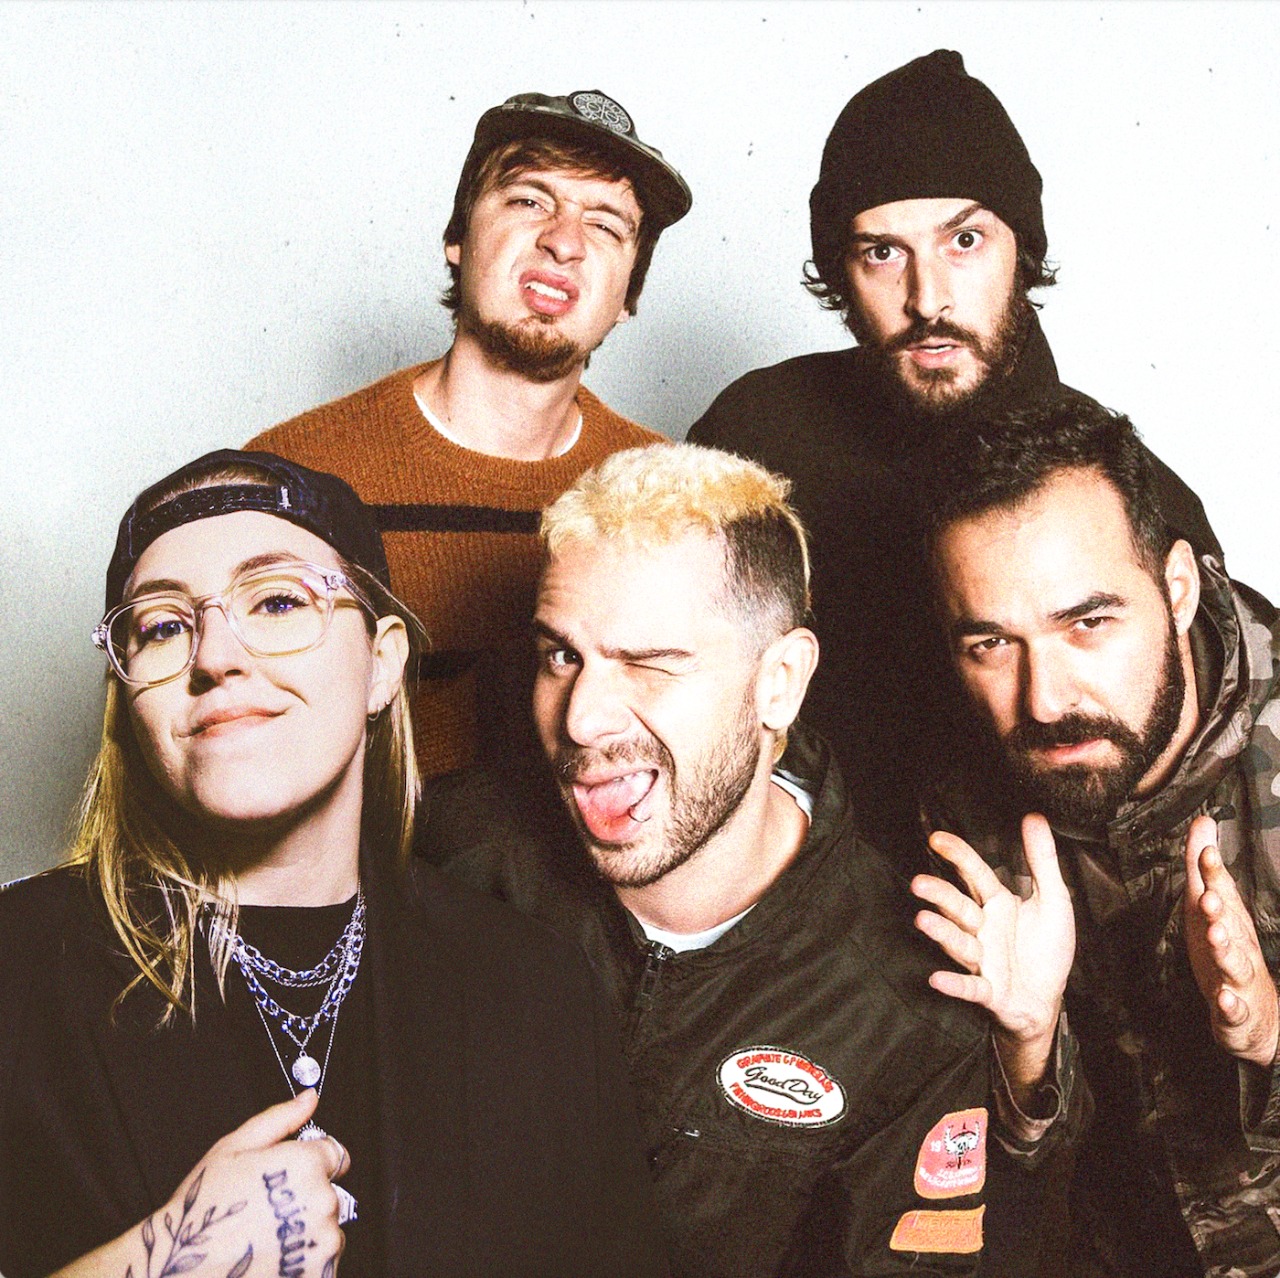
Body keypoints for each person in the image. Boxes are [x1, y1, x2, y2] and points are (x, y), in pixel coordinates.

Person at [0, 449, 668, 1278]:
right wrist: (159, 1262)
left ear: (382, 664)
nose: (215, 656)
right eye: (162, 626)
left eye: (278, 601)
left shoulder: (535, 990)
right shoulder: (18, 968)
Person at [440, 441, 1011, 1277]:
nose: (583, 718)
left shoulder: (909, 1005)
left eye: (649, 663)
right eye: (562, 655)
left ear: (778, 683)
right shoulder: (448, 858)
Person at [688, 49, 1220, 861]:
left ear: (1022, 250)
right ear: (841, 272)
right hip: (790, 899)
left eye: (963, 240)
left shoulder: (1130, 500)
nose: (927, 298)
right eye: (882, 253)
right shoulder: (757, 435)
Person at [910, 397, 1280, 1276]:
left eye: (1087, 623)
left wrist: (1268, 1037)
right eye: (991, 644)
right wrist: (1026, 1042)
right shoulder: (962, 807)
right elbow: (981, 1183)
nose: (1044, 700)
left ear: (1177, 588)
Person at [250, 88, 689, 786]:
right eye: (529, 201)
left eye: (605, 225)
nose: (564, 241)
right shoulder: (291, 478)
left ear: (629, 294)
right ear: (457, 240)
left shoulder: (671, 498)